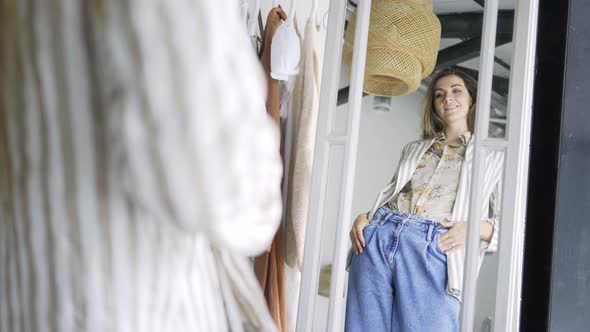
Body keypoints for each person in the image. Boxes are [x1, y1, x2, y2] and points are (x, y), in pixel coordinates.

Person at [345, 68, 504, 332]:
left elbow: (514, 226)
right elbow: (397, 194)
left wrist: (473, 228)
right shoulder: (414, 148)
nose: (447, 99)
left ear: (472, 99)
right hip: (381, 236)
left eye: (456, 91)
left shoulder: (494, 156)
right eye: (439, 95)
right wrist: (366, 217)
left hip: (435, 246)